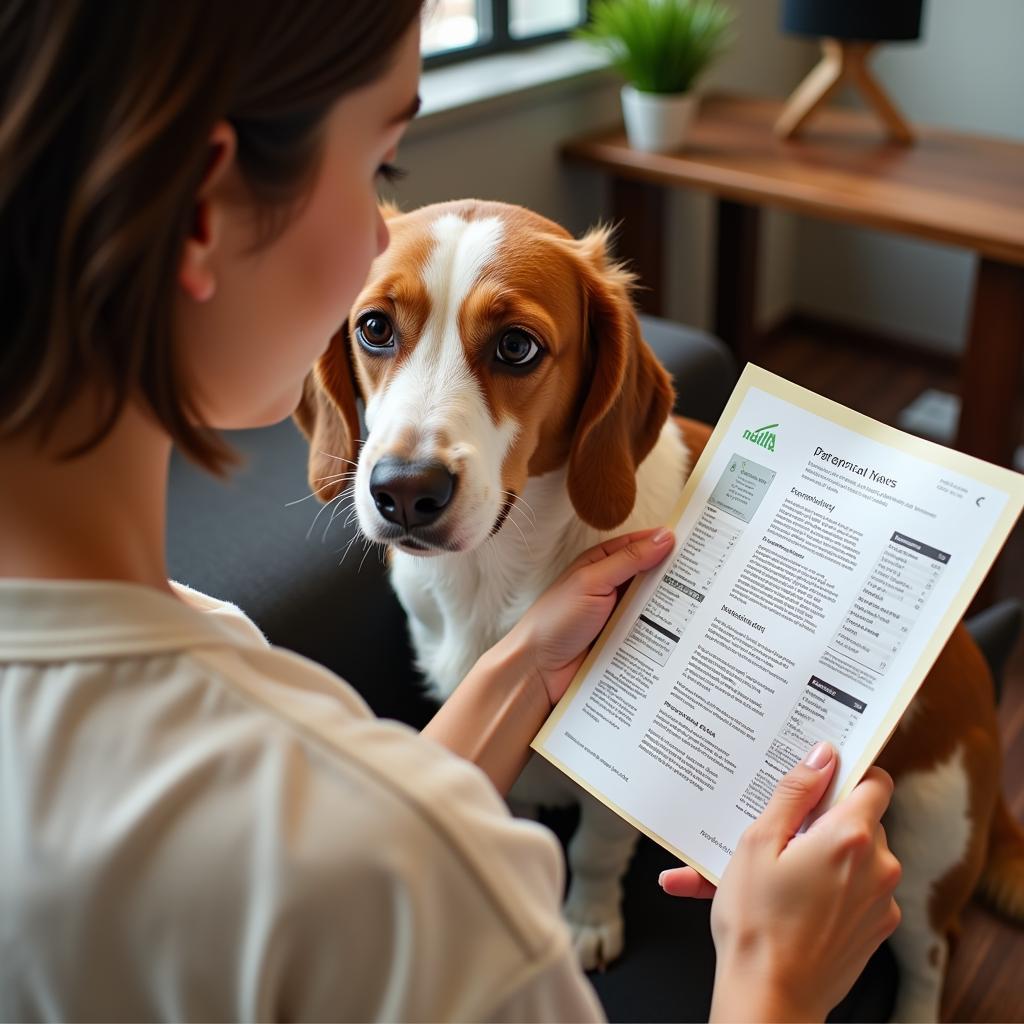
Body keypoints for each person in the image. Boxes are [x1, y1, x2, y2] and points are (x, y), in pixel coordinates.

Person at [0, 1, 901, 1020]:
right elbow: (381, 857)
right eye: (380, 165)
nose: (380, 233)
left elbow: (340, 852)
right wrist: (773, 985)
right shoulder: (445, 895)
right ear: (204, 208)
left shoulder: (196, 654)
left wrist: (517, 662)